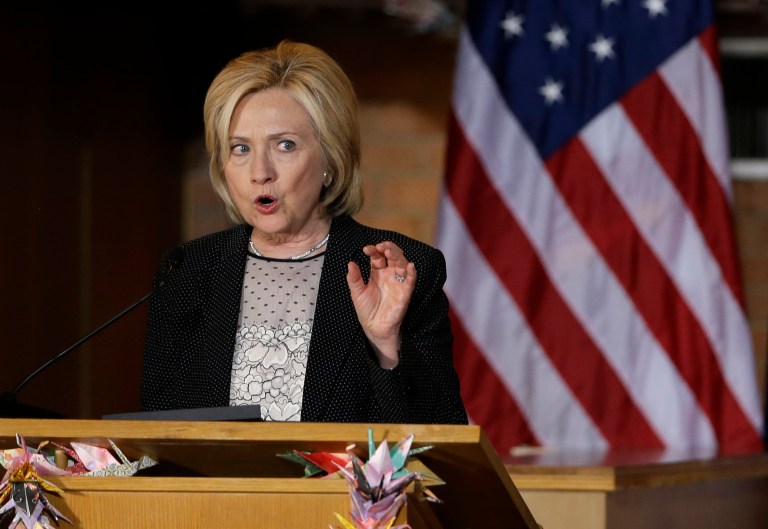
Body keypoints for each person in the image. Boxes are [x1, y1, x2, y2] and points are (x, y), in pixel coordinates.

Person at [140, 40, 468, 425]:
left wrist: (385, 345)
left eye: (284, 145)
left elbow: (440, 439)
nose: (259, 171)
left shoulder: (400, 271)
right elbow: (157, 435)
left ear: (330, 156)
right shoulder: (188, 270)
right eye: (240, 148)